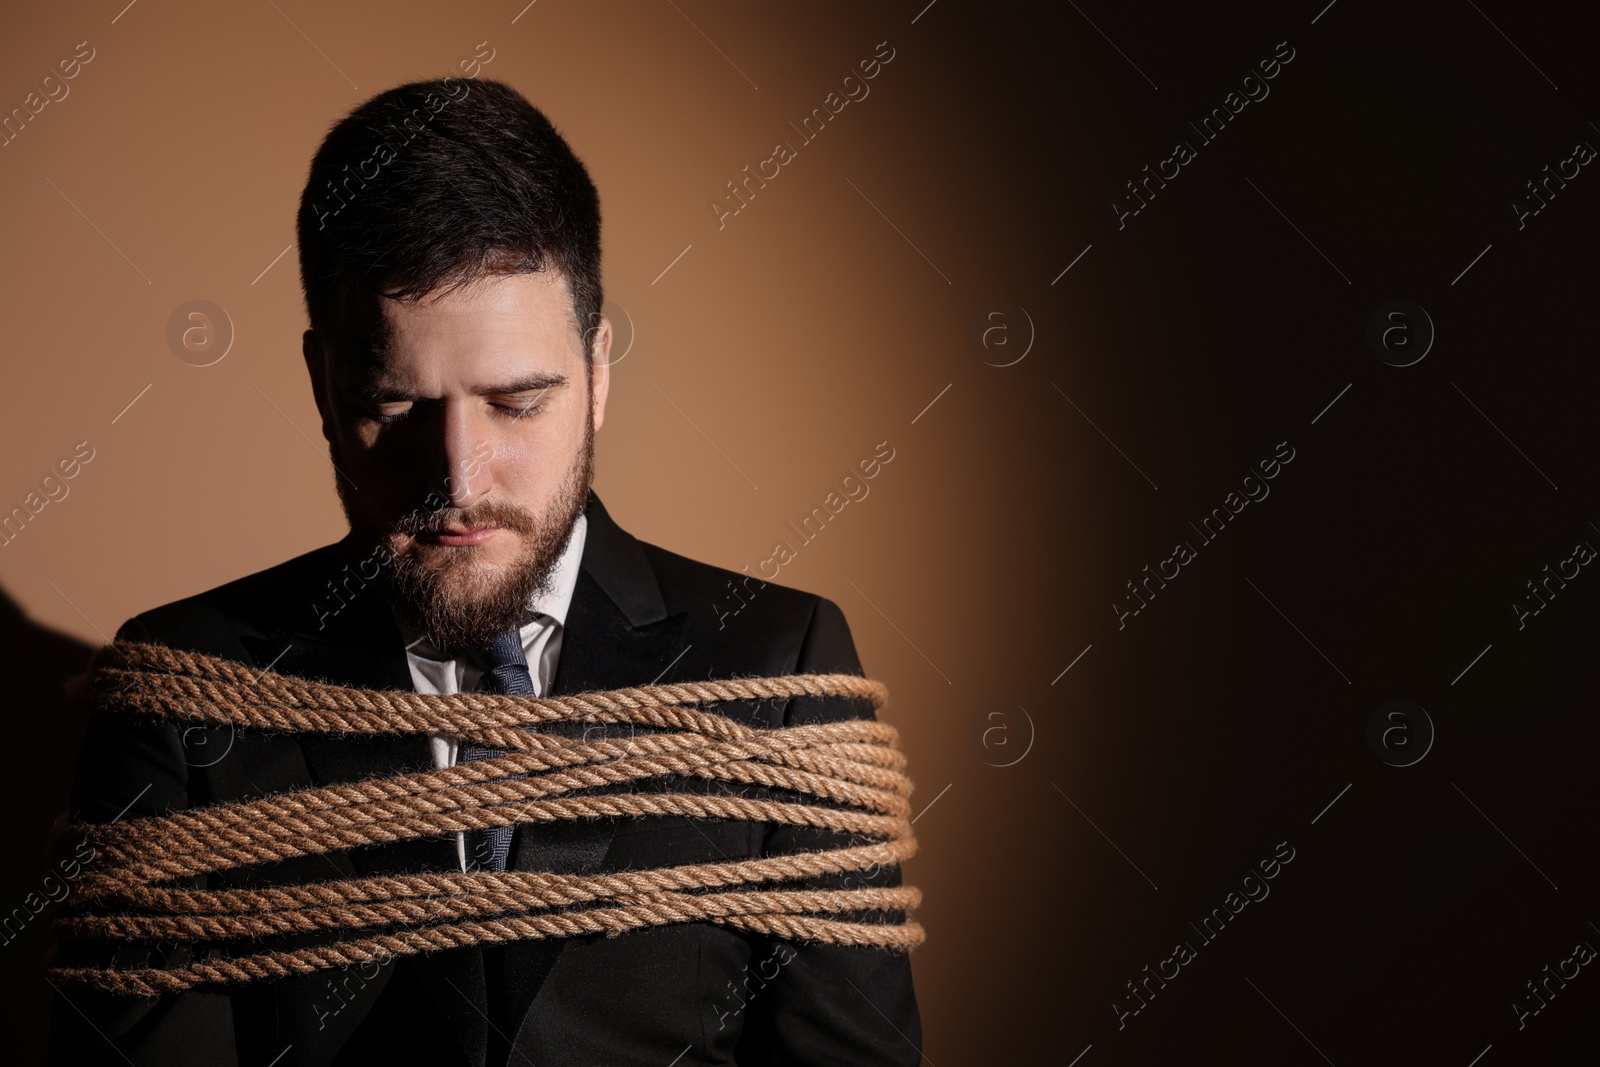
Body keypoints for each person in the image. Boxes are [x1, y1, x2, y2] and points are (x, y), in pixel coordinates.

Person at [47, 78, 921, 1066]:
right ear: (323, 386)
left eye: (516, 402)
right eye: (396, 403)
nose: (456, 478)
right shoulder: (181, 693)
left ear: (597, 375)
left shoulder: (780, 668)